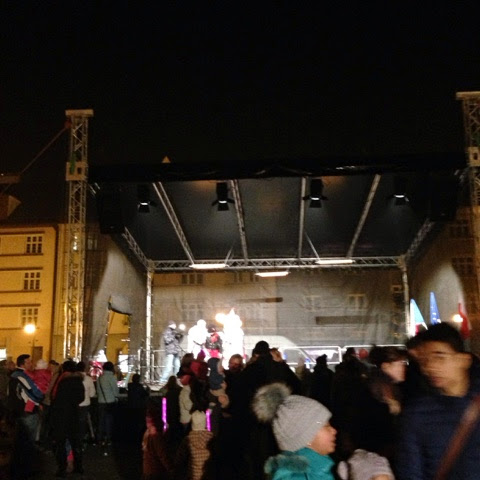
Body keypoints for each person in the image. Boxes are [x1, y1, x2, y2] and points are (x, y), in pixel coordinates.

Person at [396, 323, 480, 480]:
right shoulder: (417, 414)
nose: (430, 367)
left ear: (464, 360)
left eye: (439, 357)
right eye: (424, 361)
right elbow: (411, 471)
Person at [252, 382, 337, 480]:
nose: (334, 431)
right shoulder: (297, 477)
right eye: (326, 426)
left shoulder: (317, 469)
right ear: (306, 437)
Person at [8, 354, 44, 478]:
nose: (31, 364)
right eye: (28, 362)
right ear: (22, 364)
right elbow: (34, 391)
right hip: (28, 411)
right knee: (28, 441)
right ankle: (26, 468)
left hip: (18, 411)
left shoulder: (13, 376)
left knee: (20, 441)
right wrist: (40, 398)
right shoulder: (21, 376)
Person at [50, 360, 85, 477]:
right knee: (75, 442)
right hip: (74, 413)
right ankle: (78, 466)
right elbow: (81, 397)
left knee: (61, 442)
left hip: (61, 414)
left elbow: (55, 397)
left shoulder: (62, 380)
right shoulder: (78, 381)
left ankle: (62, 467)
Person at [174, 410, 214, 480]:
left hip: (193, 475)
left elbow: (179, 458)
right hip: (208, 474)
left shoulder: (188, 439)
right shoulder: (211, 438)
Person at [96, 360, 119, 448]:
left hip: (101, 402)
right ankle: (108, 439)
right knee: (109, 421)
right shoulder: (112, 377)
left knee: (101, 421)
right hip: (110, 402)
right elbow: (115, 391)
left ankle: (99, 439)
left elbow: (98, 390)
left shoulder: (100, 378)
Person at [76, 361, 96, 446]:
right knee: (83, 422)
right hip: (85, 403)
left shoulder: (73, 378)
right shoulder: (88, 379)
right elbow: (92, 394)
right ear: (84, 368)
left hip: (75, 403)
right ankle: (81, 439)